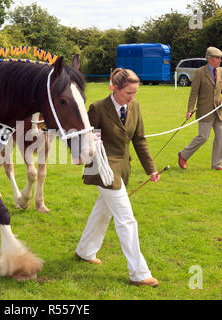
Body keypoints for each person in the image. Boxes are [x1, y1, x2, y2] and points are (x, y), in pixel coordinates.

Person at [76, 68, 160, 287]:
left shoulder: (136, 107)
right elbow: (83, 137)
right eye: (128, 93)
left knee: (102, 212)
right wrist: (92, 143)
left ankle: (85, 251)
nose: (132, 97)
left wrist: (150, 168)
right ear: (115, 88)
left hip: (123, 168)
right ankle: (139, 273)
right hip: (102, 169)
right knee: (126, 219)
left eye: (135, 93)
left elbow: (139, 140)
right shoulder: (97, 108)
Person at [178, 46, 222, 171]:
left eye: (220, 58)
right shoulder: (199, 72)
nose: (219, 60)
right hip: (204, 111)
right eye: (218, 58)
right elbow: (193, 93)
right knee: (203, 137)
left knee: (220, 137)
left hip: (219, 110)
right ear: (210, 59)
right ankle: (183, 155)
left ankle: (216, 164)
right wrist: (189, 110)